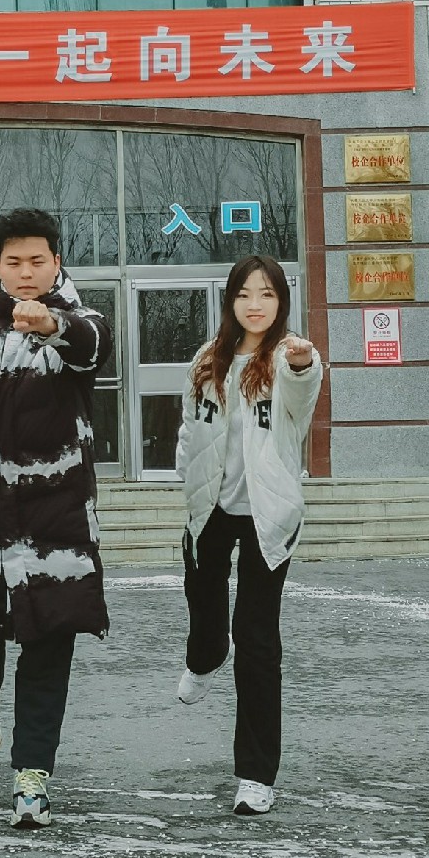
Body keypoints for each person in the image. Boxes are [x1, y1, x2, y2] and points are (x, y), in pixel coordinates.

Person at [0, 207, 111, 829]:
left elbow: (91, 347)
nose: (26, 272)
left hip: (56, 522)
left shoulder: (81, 327)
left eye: (37, 261)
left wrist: (53, 324)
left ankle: (33, 773)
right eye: (14, 262)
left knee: (48, 645)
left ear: (57, 262)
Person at [173, 255, 323, 817]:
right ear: (230, 301)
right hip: (210, 506)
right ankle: (204, 656)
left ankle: (256, 775)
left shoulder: (288, 358)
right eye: (243, 294)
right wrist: (187, 478)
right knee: (203, 604)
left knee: (257, 640)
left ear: (281, 301)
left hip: (267, 512)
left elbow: (302, 394)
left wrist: (303, 364)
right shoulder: (207, 360)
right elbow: (190, 429)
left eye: (266, 294)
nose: (254, 304)